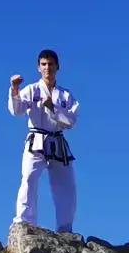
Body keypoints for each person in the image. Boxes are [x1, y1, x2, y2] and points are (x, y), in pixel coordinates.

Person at [9, 49, 80, 232]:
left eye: (50, 64)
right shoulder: (31, 90)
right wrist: (15, 90)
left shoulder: (65, 95)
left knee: (67, 187)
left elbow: (71, 121)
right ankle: (24, 222)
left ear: (57, 66)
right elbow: (17, 110)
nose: (47, 67)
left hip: (58, 142)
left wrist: (53, 109)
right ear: (38, 67)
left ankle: (65, 229)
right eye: (43, 64)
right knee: (29, 179)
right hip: (36, 141)